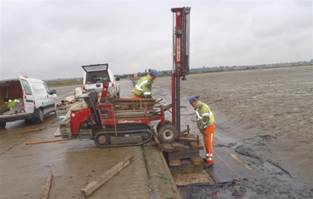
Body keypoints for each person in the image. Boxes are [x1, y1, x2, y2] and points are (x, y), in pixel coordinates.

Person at [188, 96, 216, 166]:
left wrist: (202, 129)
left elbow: (205, 120)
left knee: (208, 144)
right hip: (205, 128)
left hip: (208, 128)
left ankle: (210, 161)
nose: (192, 105)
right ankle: (208, 158)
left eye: (192, 104)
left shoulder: (203, 108)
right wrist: (201, 129)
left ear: (195, 102)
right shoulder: (198, 108)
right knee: (206, 143)